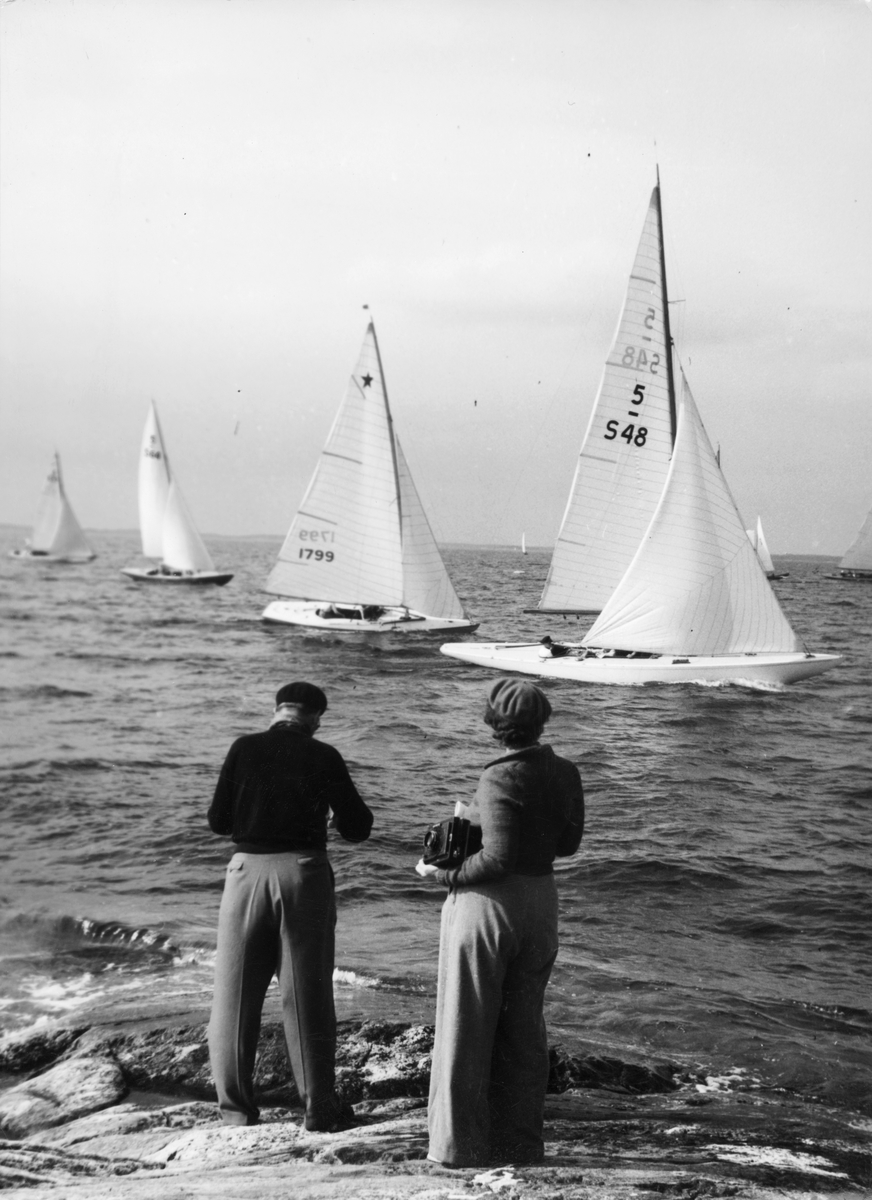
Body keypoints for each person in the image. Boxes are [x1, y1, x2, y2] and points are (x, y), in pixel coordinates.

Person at [416, 678, 584, 1168]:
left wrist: (441, 873)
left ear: (496, 726)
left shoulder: (498, 776)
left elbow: (496, 860)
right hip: (541, 903)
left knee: (465, 1027)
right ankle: (520, 1145)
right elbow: (567, 845)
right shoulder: (567, 771)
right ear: (542, 719)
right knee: (523, 1032)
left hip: (490, 908)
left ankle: (457, 1148)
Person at [207, 681, 373, 1131]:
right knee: (306, 995)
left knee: (234, 997)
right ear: (315, 717)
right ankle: (319, 1109)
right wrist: (335, 816)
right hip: (302, 873)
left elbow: (219, 821)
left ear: (278, 709)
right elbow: (359, 827)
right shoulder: (324, 755)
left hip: (243, 874)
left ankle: (235, 1113)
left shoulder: (243, 747)